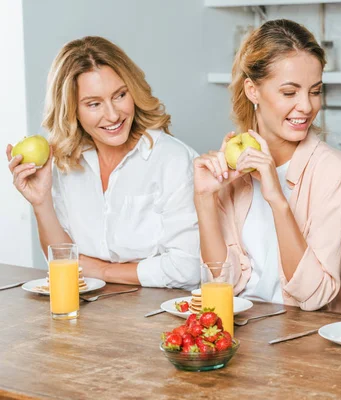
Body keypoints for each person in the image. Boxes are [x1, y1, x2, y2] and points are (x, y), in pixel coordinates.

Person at [6, 36, 200, 289]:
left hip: (158, 312)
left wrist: (100, 270)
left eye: (119, 95)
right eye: (94, 104)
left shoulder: (173, 160)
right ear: (71, 110)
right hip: (89, 310)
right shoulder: (66, 162)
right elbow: (63, 260)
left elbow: (188, 268)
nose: (113, 115)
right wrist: (41, 202)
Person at [193, 19, 341, 312]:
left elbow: (315, 297)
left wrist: (276, 199)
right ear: (252, 91)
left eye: (315, 91)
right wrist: (205, 198)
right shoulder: (232, 170)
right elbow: (220, 284)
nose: (307, 107)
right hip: (240, 336)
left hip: (303, 347)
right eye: (289, 93)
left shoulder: (332, 171)